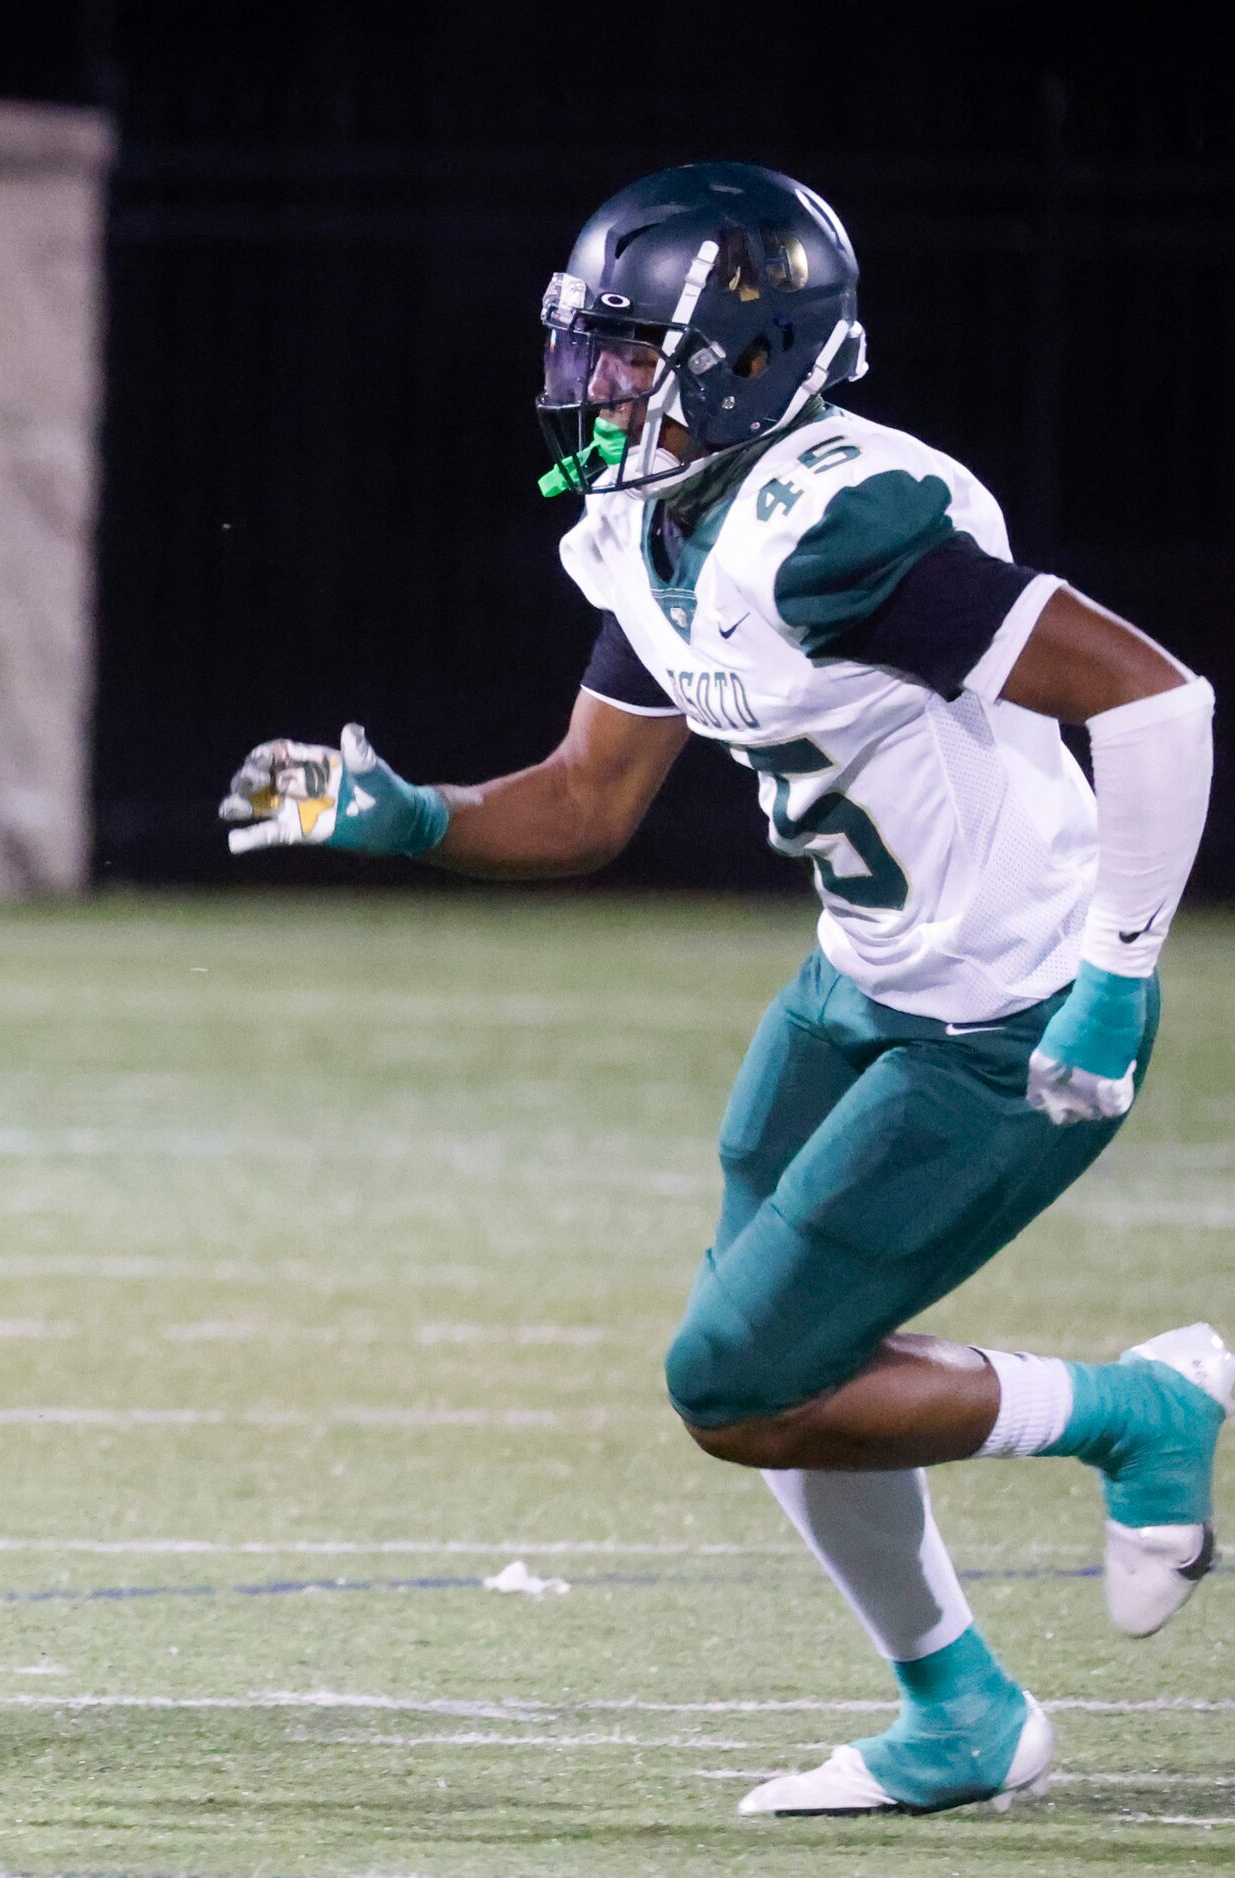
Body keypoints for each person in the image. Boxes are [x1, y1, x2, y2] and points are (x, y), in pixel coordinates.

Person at [222, 161, 1221, 1818]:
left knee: (735, 1380)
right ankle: (961, 1711)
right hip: (861, 985)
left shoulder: (838, 529)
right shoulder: (656, 522)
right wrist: (408, 819)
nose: (596, 384)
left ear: (747, 363)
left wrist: (1119, 981)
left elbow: (1160, 701)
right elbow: (588, 801)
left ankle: (1135, 1406)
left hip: (1008, 1017)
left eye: (629, 354)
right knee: (787, 1372)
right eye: (590, 347)